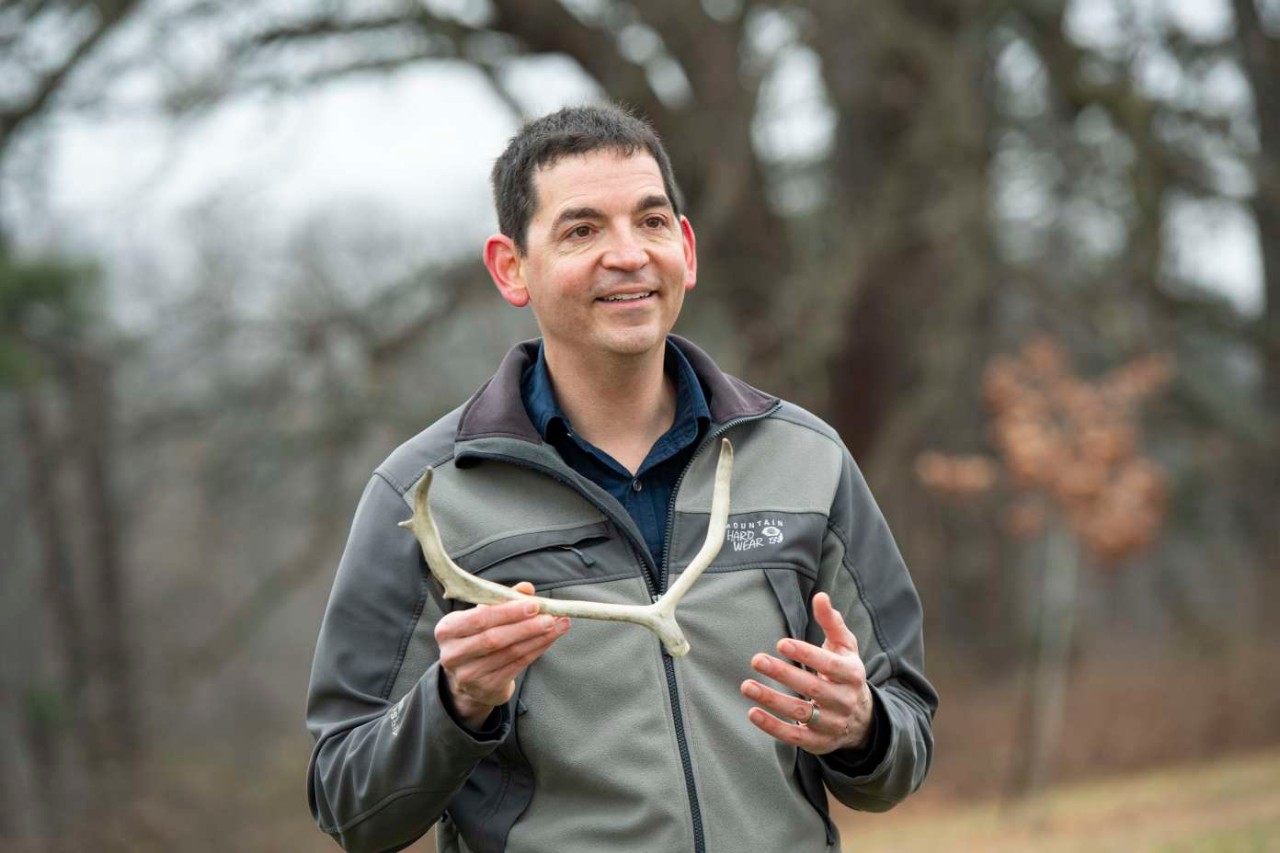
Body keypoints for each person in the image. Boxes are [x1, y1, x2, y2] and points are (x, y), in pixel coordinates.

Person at [306, 104, 937, 853]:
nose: (629, 254)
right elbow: (348, 803)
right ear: (513, 268)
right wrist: (456, 702)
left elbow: (902, 749)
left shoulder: (807, 458)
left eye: (651, 221)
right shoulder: (425, 496)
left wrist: (862, 727)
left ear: (687, 249)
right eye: (582, 230)